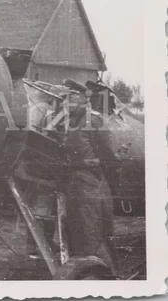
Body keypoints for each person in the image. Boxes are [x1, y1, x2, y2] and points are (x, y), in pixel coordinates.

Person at [62, 78, 120, 276]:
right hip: (75, 185)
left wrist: (97, 172)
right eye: (64, 99)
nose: (64, 103)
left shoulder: (93, 120)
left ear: (81, 99)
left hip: (90, 185)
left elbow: (109, 155)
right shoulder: (71, 122)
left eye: (69, 98)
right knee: (78, 233)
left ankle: (104, 278)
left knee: (91, 234)